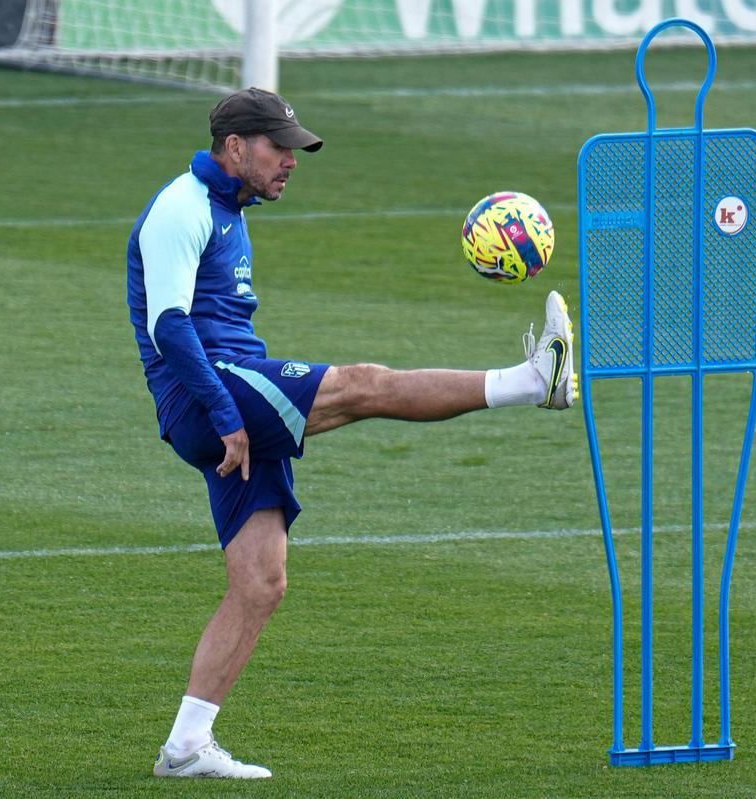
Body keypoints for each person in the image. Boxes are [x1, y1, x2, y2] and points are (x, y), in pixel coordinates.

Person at [126, 87, 578, 780]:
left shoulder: (229, 210)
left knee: (261, 581)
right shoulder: (180, 208)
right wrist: (223, 414)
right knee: (365, 384)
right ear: (235, 146)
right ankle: (531, 381)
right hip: (211, 391)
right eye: (279, 148)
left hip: (227, 389)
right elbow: (168, 326)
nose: (291, 162)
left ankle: (187, 745)